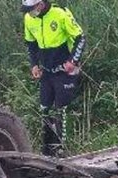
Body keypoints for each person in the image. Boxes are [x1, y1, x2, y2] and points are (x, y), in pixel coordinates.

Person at [21, 0, 86, 156]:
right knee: (44, 109)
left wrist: (73, 61)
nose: (29, 12)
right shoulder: (29, 18)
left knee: (61, 110)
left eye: (31, 9)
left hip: (64, 69)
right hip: (46, 70)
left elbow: (80, 38)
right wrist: (34, 65)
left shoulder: (60, 13)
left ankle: (62, 151)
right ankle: (47, 151)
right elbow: (31, 44)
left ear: (41, 4)